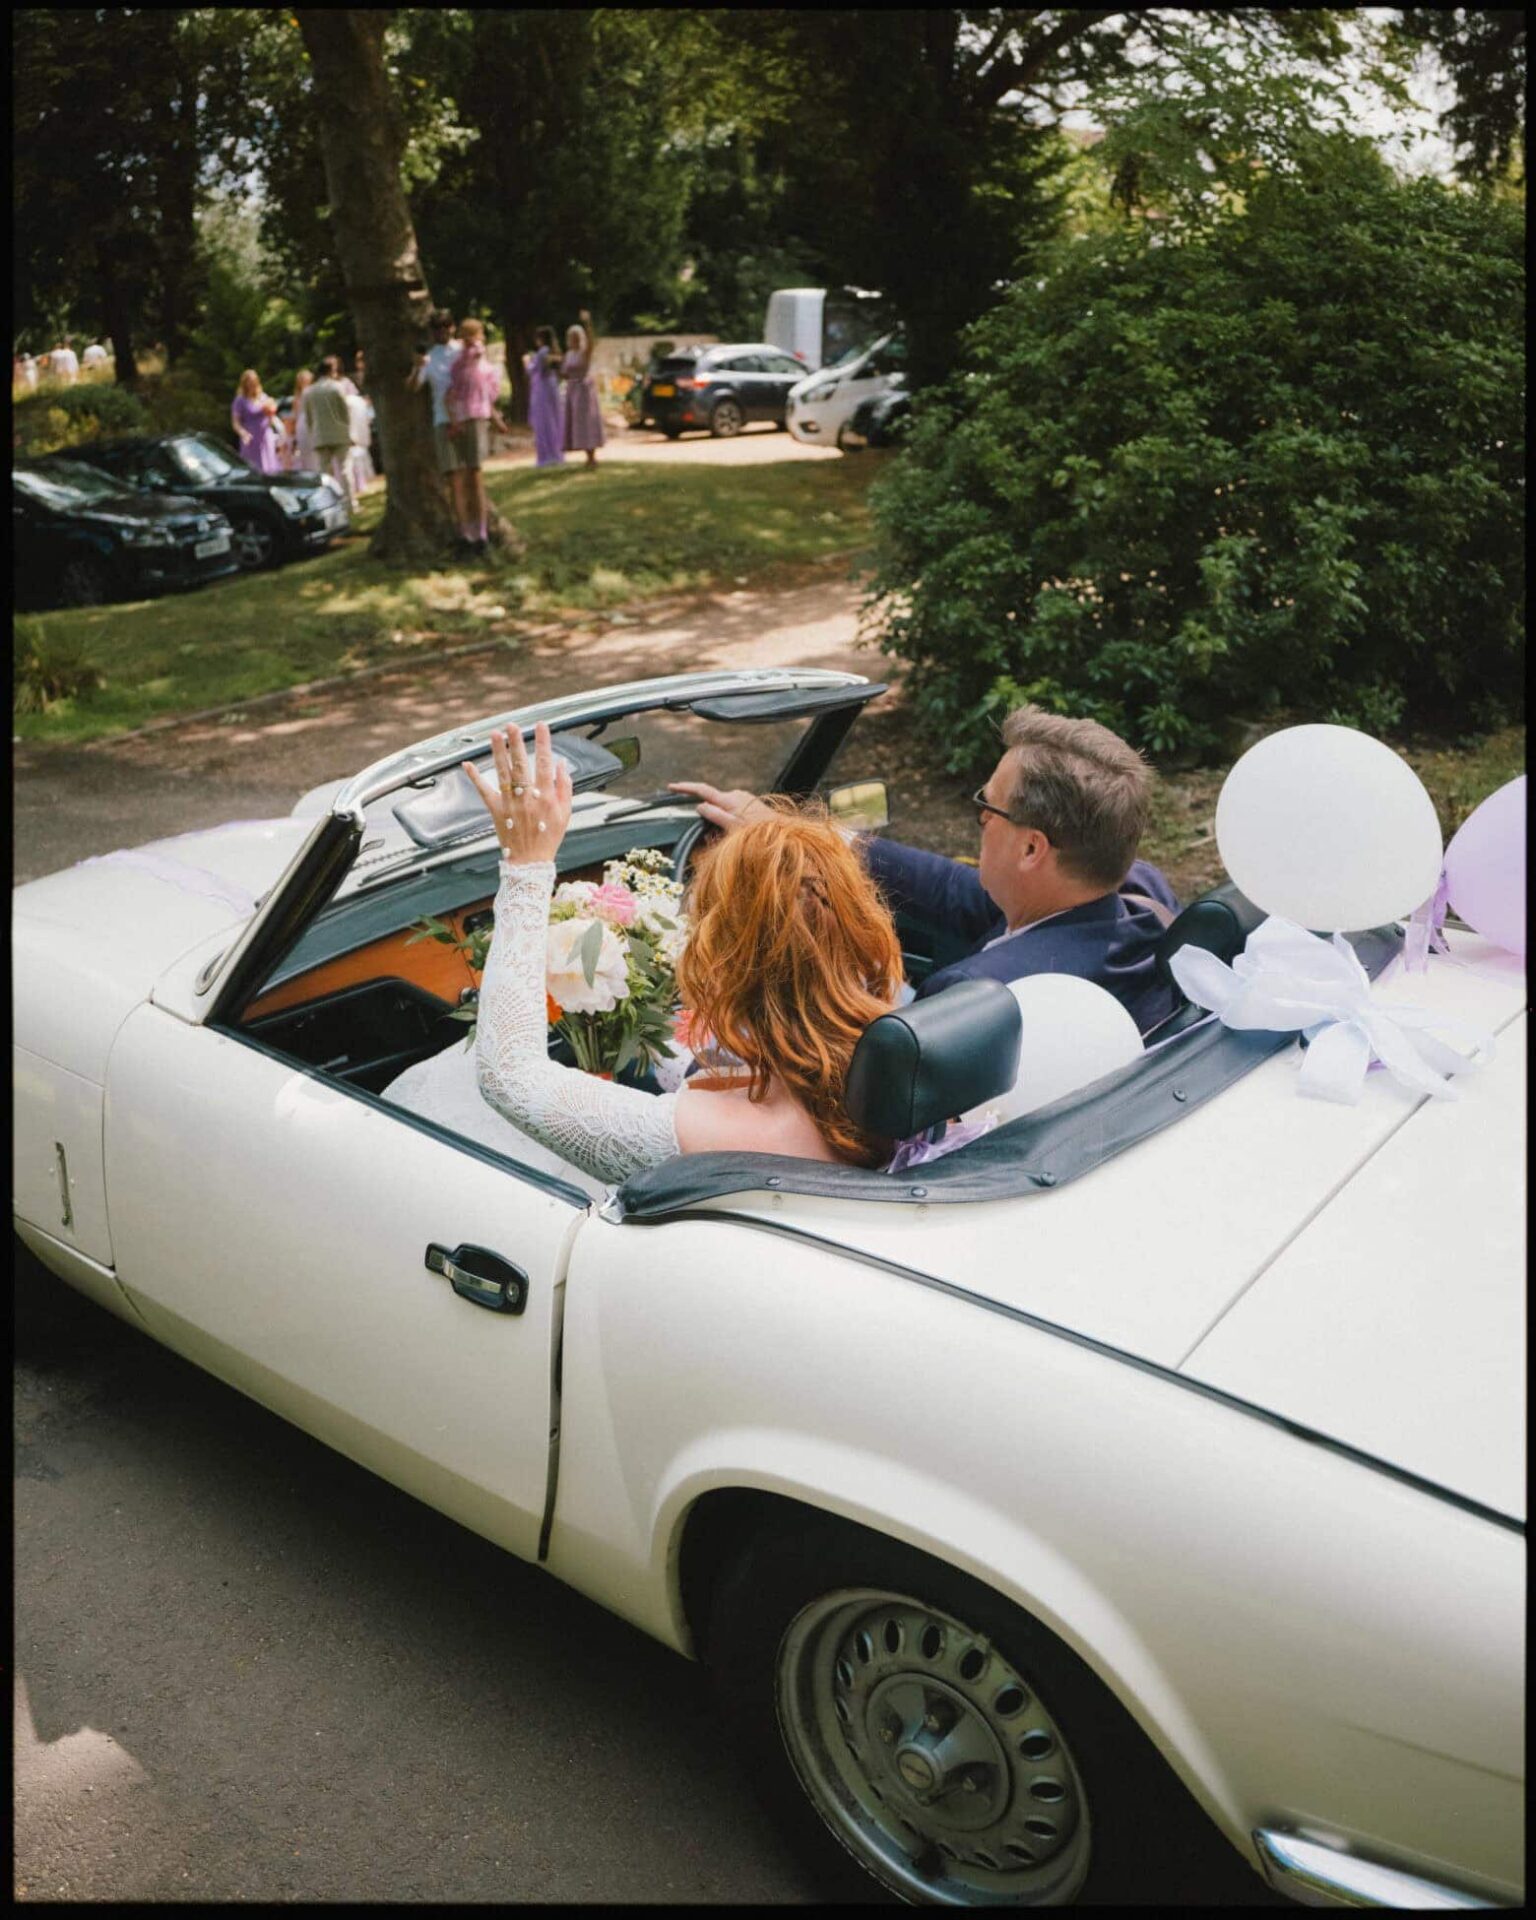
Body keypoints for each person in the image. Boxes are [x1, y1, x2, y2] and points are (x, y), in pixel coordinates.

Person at [383, 722, 906, 1188]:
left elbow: (510, 1078)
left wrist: (526, 864)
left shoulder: (721, 1133)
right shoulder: (897, 1059)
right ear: (861, 931)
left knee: (427, 1091)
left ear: (726, 963)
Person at [672, 706, 1182, 1036]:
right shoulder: (1142, 896)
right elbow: (950, 888)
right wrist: (797, 832)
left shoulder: (970, 998)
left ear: (1031, 848)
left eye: (988, 806)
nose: (980, 818)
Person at [444, 317, 509, 553]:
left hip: (472, 418)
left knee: (472, 475)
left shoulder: (480, 366)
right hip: (467, 419)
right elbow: (453, 394)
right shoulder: (464, 362)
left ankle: (476, 531)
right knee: (467, 477)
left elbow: (486, 397)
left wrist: (496, 419)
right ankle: (471, 531)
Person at [410, 308, 463, 511]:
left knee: (471, 472)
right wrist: (417, 367)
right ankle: (461, 523)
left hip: (466, 416)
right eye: (437, 328)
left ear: (452, 327)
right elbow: (414, 386)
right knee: (453, 476)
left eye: (445, 326)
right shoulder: (429, 358)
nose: (441, 331)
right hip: (443, 419)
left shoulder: (462, 351)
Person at [301, 355, 357, 512]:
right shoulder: (337, 387)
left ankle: (329, 505)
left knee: (324, 473)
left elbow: (309, 418)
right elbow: (345, 413)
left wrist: (313, 435)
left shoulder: (309, 392)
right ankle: (350, 503)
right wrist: (350, 432)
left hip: (320, 436)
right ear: (331, 371)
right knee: (345, 470)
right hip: (340, 434)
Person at [560, 310, 605, 468]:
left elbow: (591, 342)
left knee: (586, 421)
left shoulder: (584, 352)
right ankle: (586, 455)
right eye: (572, 337)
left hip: (584, 390)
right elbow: (564, 373)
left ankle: (592, 456)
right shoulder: (569, 354)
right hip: (572, 389)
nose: (575, 340)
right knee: (577, 422)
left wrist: (587, 323)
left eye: (577, 337)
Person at [523, 326, 564, 468]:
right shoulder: (554, 351)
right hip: (552, 386)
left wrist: (526, 362)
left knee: (544, 421)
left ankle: (547, 455)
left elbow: (534, 370)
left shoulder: (542, 352)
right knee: (554, 418)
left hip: (542, 388)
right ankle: (556, 452)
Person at [231, 369, 281, 476]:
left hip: (265, 437)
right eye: (249, 382)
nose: (252, 384)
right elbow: (235, 423)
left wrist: (271, 414)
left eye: (254, 381)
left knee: (270, 466)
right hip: (250, 438)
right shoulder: (240, 400)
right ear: (244, 383)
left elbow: (271, 416)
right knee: (253, 468)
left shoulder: (263, 397)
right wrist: (243, 433)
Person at [287, 368, 316, 471]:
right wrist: (291, 434)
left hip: (313, 423)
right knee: (305, 450)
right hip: (302, 425)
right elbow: (294, 415)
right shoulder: (297, 397)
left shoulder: (314, 392)